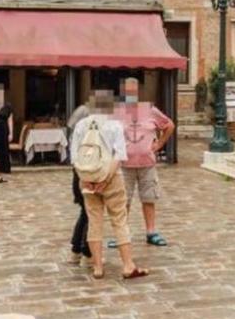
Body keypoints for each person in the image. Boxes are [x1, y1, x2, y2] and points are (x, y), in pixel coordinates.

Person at [69, 91, 147, 280]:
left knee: (94, 221)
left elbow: (74, 156)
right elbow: (119, 155)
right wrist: (105, 179)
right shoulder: (113, 125)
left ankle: (97, 267)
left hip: (87, 177)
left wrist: (86, 178)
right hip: (110, 178)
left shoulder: (81, 125)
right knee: (119, 220)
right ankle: (128, 265)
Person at [111, 77, 176, 247]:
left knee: (149, 198)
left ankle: (151, 231)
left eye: (133, 90)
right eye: (127, 91)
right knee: (123, 201)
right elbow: (108, 134)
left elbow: (169, 125)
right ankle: (121, 233)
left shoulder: (150, 110)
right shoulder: (117, 112)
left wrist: (160, 143)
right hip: (125, 165)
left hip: (147, 164)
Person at [67, 100, 92, 264]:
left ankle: (76, 249)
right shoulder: (87, 138)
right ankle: (86, 250)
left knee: (86, 212)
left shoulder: (74, 136)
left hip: (78, 174)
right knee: (91, 214)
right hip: (88, 173)